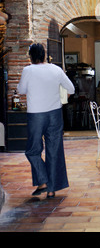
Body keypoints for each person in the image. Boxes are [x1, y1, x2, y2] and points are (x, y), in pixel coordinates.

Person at [17, 43, 75, 198]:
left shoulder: (28, 70)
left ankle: (43, 181)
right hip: (55, 114)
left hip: (36, 115)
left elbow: (21, 90)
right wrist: (59, 97)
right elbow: (71, 89)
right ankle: (51, 189)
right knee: (54, 150)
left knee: (33, 150)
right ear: (44, 54)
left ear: (31, 56)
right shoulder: (55, 69)